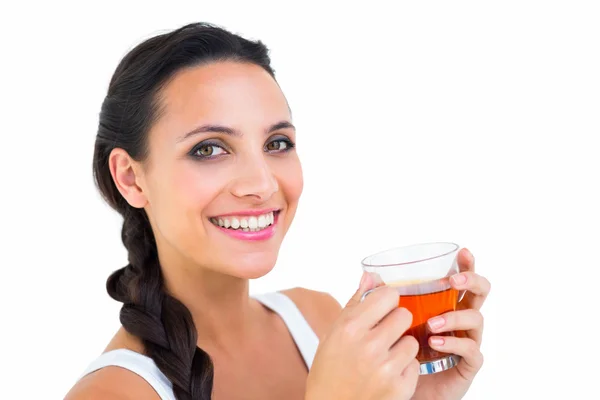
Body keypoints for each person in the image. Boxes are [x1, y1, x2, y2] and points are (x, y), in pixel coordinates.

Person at [65, 22, 490, 400]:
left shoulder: (322, 321)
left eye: (276, 144)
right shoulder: (111, 393)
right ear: (130, 178)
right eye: (209, 149)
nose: (263, 184)